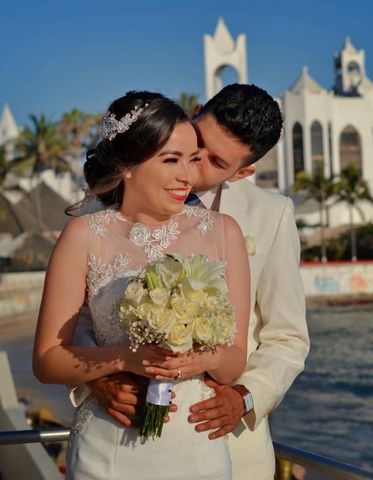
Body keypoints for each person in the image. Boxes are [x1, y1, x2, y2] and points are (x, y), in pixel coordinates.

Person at [70, 84, 310, 480]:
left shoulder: (271, 215)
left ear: (243, 172)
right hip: (117, 433)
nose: (192, 168)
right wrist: (98, 377)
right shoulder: (108, 198)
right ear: (195, 113)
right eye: (197, 143)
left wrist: (245, 397)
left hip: (227, 445)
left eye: (216, 162)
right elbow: (78, 315)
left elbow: (288, 335)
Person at [34, 91, 251, 479]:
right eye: (171, 160)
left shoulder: (223, 233)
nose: (187, 175)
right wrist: (125, 359)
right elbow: (47, 359)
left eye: (192, 158)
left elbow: (235, 360)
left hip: (196, 445)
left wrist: (205, 360)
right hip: (108, 450)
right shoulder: (83, 235)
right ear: (128, 165)